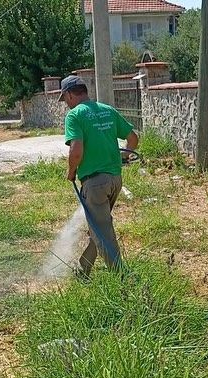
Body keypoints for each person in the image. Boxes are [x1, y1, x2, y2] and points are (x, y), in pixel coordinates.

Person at [59, 75, 139, 277]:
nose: (66, 104)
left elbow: (76, 151)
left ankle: (122, 279)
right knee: (99, 227)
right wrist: (124, 156)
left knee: (102, 231)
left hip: (94, 183)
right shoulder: (107, 110)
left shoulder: (75, 116)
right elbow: (133, 138)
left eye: (65, 99)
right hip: (115, 180)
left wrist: (70, 172)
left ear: (69, 95)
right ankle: (83, 268)